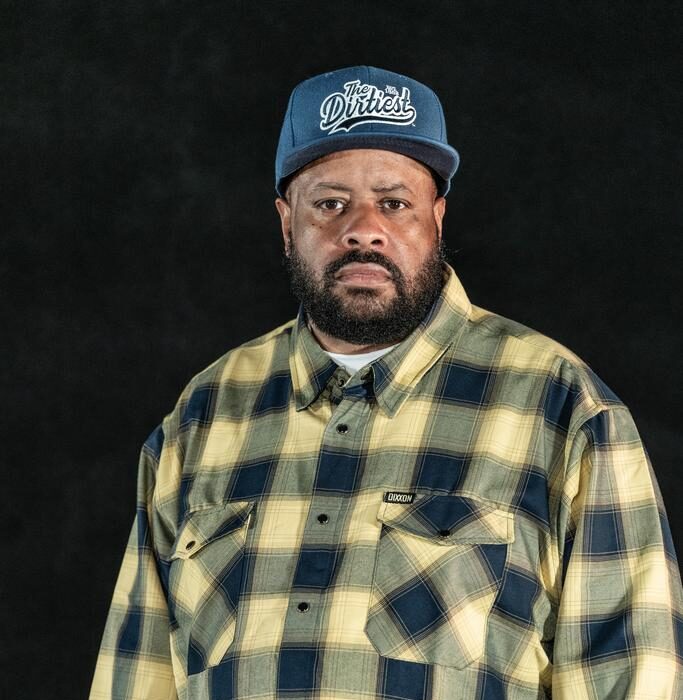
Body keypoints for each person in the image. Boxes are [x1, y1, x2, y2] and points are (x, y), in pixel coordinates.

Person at [90, 66, 683, 700]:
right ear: (286, 222)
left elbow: (633, 677)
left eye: (394, 203)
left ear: (437, 217)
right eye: (330, 203)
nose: (363, 228)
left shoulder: (561, 406)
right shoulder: (205, 414)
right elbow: (136, 675)